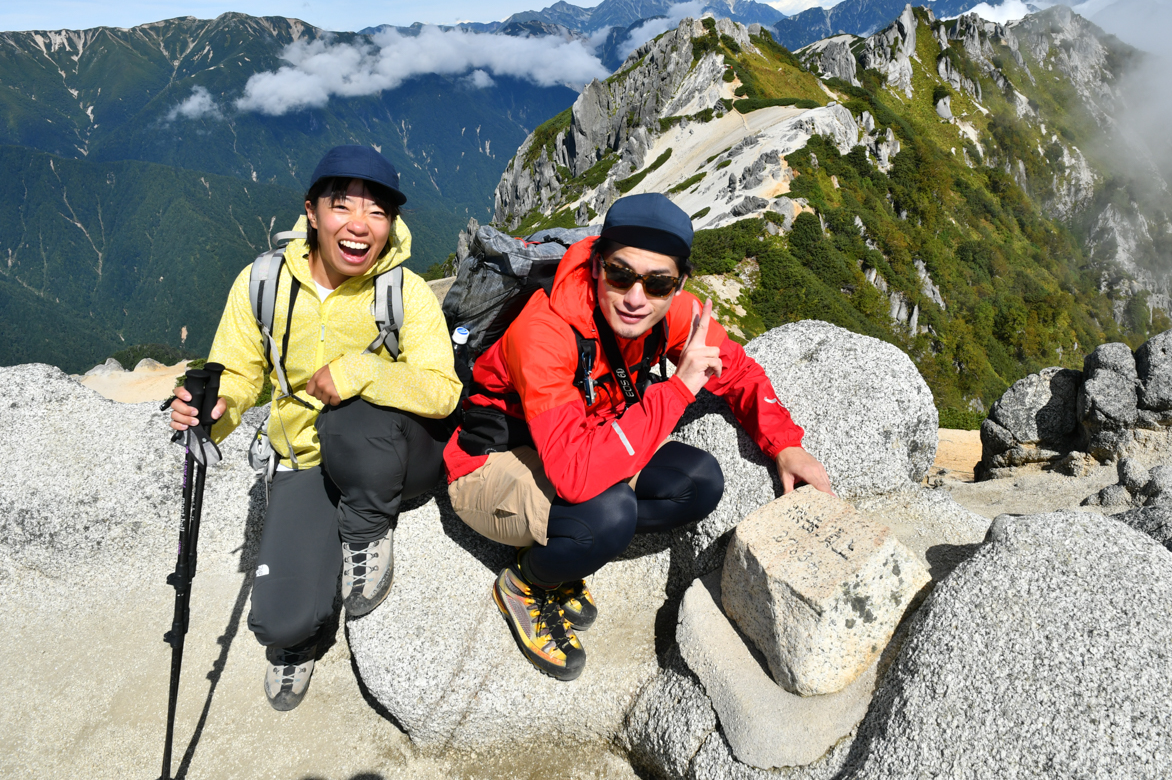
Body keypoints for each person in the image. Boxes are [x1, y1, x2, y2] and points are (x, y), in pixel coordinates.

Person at [442, 192, 831, 681]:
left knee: (697, 481)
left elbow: (738, 371)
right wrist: (680, 387)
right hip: (490, 466)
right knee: (606, 514)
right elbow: (577, 476)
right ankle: (525, 584)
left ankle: (560, 548)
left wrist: (785, 443)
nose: (635, 298)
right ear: (597, 266)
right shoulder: (545, 332)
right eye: (620, 274)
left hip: (579, 441)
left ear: (678, 284)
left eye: (658, 283)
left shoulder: (671, 313)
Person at [169, 145, 461, 710]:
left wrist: (360, 370)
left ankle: (368, 528)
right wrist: (214, 412)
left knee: (348, 417)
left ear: (392, 224)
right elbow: (239, 372)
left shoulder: (405, 293)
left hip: (394, 453)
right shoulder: (263, 284)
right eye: (342, 206)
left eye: (377, 212)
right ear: (311, 211)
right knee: (280, 623)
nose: (359, 225)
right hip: (305, 461)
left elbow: (443, 391)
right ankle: (303, 634)